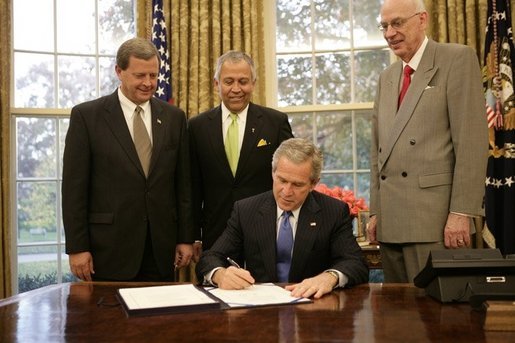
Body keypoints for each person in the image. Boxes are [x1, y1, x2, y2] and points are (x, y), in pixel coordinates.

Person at [368, 0, 488, 282]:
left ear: (422, 20)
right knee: (397, 318)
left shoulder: (456, 59)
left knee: (437, 320)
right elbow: (377, 152)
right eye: (384, 26)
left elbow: (471, 143)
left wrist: (461, 212)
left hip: (436, 222)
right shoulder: (387, 77)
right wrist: (375, 212)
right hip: (390, 224)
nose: (389, 33)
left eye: (397, 23)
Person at [62, 37, 194, 282]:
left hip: (161, 248)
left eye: (153, 76)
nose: (148, 83)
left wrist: (185, 238)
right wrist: (77, 247)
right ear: (119, 72)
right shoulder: (87, 117)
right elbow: (74, 190)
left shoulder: (174, 118)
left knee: (160, 318)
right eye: (140, 76)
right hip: (108, 249)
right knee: (108, 320)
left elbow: (183, 184)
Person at [196, 138, 369, 299]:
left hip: (313, 308)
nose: (286, 191)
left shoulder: (333, 211)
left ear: (313, 183)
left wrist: (329, 277)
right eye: (282, 180)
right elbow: (210, 257)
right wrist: (220, 274)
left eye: (297, 184)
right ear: (273, 173)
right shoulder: (246, 210)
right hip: (260, 307)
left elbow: (356, 263)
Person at [188, 50, 293, 261]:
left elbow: (289, 176)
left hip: (265, 230)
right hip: (216, 233)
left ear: (253, 83)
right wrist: (193, 236)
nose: (236, 89)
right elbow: (191, 188)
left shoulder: (275, 122)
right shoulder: (197, 127)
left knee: (265, 292)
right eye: (229, 81)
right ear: (216, 84)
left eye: (243, 81)